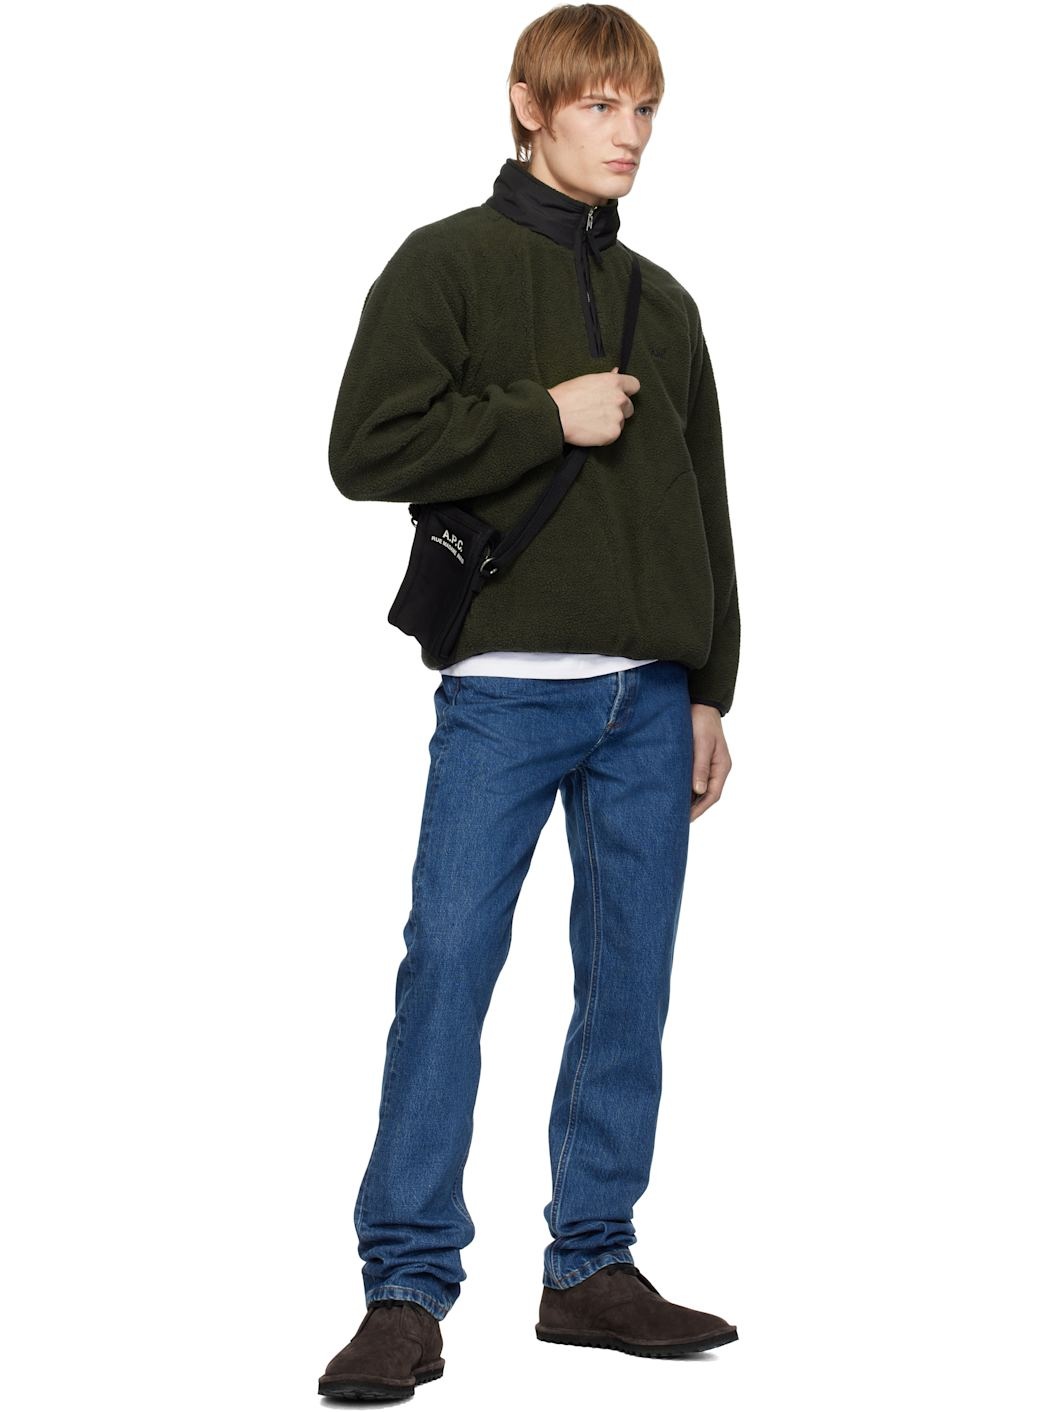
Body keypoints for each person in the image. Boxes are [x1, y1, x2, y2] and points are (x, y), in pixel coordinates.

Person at [318, 4, 741, 1398]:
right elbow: (366, 447)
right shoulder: (444, 263)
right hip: (505, 696)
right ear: (528, 104)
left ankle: (592, 1268)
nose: (630, 133)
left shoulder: (666, 303)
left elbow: (705, 508)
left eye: (645, 109)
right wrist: (541, 416)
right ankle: (405, 1288)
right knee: (448, 968)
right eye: (601, 105)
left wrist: (709, 689)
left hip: (649, 702)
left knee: (629, 986)